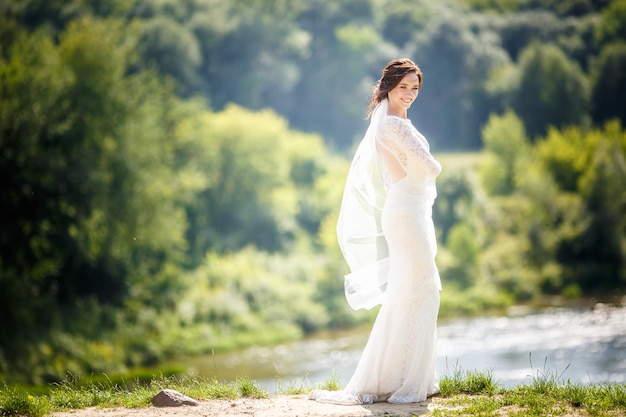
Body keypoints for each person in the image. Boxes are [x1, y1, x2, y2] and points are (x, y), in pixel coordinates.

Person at [310, 58, 442, 405]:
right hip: (405, 215)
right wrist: (427, 159)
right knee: (423, 288)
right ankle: (406, 380)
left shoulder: (395, 121)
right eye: (404, 88)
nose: (410, 94)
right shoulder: (394, 126)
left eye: (415, 88)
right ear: (389, 88)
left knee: (411, 291)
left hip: (405, 210)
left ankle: (405, 377)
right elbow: (432, 167)